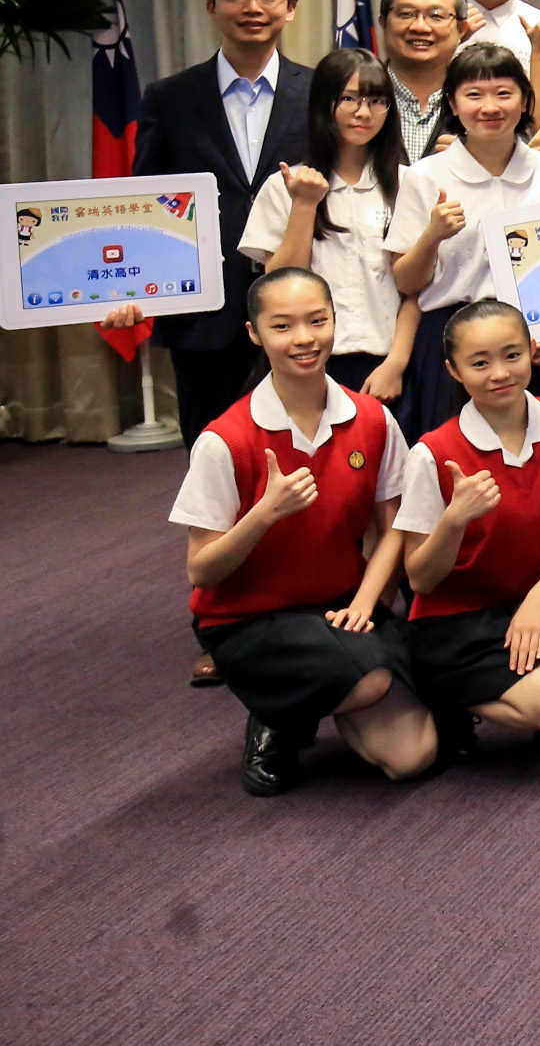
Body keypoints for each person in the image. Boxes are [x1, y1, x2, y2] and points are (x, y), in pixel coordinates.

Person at [170, 266, 432, 796]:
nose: (304, 338)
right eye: (282, 326)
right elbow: (201, 571)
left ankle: (321, 687)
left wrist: (366, 602)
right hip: (249, 619)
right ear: (254, 334)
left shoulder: (372, 419)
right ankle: (278, 714)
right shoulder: (225, 439)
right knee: (375, 675)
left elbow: (394, 530)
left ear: (336, 320)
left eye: (317, 321)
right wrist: (263, 514)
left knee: (414, 757)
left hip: (338, 607)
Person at [395, 300, 540, 767]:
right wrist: (454, 519)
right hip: (458, 621)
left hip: (532, 600)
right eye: (480, 363)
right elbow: (420, 579)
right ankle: (452, 699)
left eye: (512, 355)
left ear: (532, 350)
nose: (500, 373)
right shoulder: (432, 453)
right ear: (454, 371)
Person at [135, 0, 317, 450]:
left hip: (302, 303)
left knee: (308, 445)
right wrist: (132, 289)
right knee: (212, 449)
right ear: (211, 7)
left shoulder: (322, 92)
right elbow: (147, 200)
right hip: (204, 309)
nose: (252, 7)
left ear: (290, 7)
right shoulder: (169, 97)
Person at [385, 42, 540, 437]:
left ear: (525, 101)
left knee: (536, 454)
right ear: (452, 104)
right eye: (473, 95)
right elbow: (406, 282)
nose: (490, 107)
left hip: (529, 336)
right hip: (450, 338)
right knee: (451, 455)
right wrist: (432, 236)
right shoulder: (425, 176)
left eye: (503, 93)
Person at [237, 47, 411, 402]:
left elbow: (417, 289)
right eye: (349, 99)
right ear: (323, 103)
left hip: (387, 363)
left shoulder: (407, 183)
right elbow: (279, 285)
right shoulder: (285, 185)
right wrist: (304, 205)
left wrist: (395, 363)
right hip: (308, 359)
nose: (363, 112)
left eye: (377, 100)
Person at [377, 0, 468, 164]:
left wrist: (479, 160)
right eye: (406, 14)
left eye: (436, 16)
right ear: (383, 23)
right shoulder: (353, 96)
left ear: (462, 29)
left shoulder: (481, 102)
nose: (420, 27)